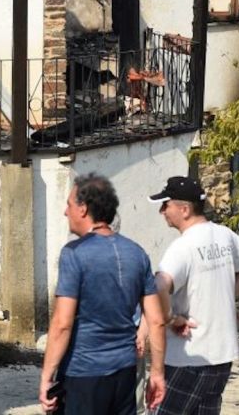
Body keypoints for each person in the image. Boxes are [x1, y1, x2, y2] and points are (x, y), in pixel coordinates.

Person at [40, 173, 166, 414]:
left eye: (68, 205)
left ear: (83, 209)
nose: (65, 212)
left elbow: (62, 324)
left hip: (84, 372)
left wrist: (46, 376)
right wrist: (157, 374)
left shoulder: (74, 254)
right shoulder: (137, 253)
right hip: (125, 370)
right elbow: (157, 320)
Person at [147, 176, 239, 415]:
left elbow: (159, 284)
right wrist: (227, 296)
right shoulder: (223, 235)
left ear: (184, 209)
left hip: (189, 355)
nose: (161, 211)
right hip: (222, 355)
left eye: (165, 204)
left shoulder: (183, 247)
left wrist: (170, 318)